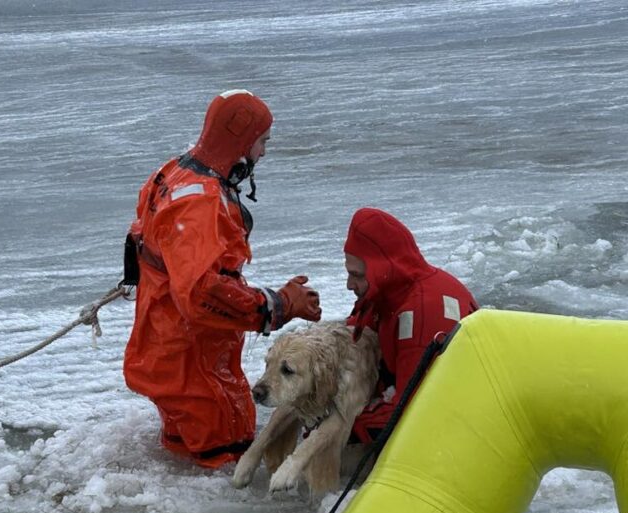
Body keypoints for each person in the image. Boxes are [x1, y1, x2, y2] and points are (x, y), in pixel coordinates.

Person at [123, 90, 321, 468]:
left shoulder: (173, 173)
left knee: (185, 458)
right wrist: (279, 304)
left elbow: (140, 241)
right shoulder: (203, 204)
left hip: (162, 349)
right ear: (241, 140)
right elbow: (200, 295)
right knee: (229, 463)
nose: (263, 153)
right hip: (195, 364)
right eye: (262, 142)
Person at [343, 207, 478, 443]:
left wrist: (342, 425)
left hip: (457, 426)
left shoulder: (422, 314)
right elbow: (352, 337)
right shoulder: (386, 294)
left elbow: (412, 412)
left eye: (357, 275)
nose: (349, 284)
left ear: (381, 268)